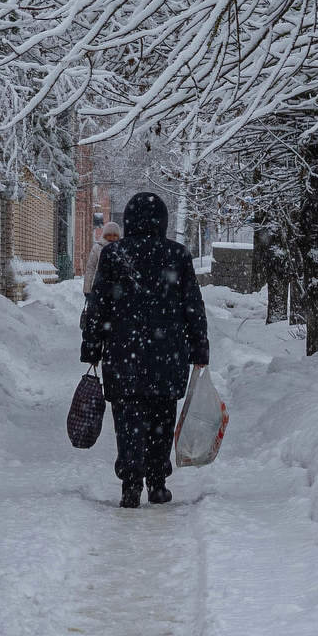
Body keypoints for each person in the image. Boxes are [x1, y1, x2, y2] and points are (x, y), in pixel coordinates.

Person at [81, 193, 209, 508]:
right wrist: (199, 347)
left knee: (127, 420)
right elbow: (193, 306)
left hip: (123, 353)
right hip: (167, 354)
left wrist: (92, 345)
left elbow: (99, 304)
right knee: (161, 419)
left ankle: (130, 483)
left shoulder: (113, 254)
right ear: (163, 221)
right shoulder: (177, 255)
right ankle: (157, 482)